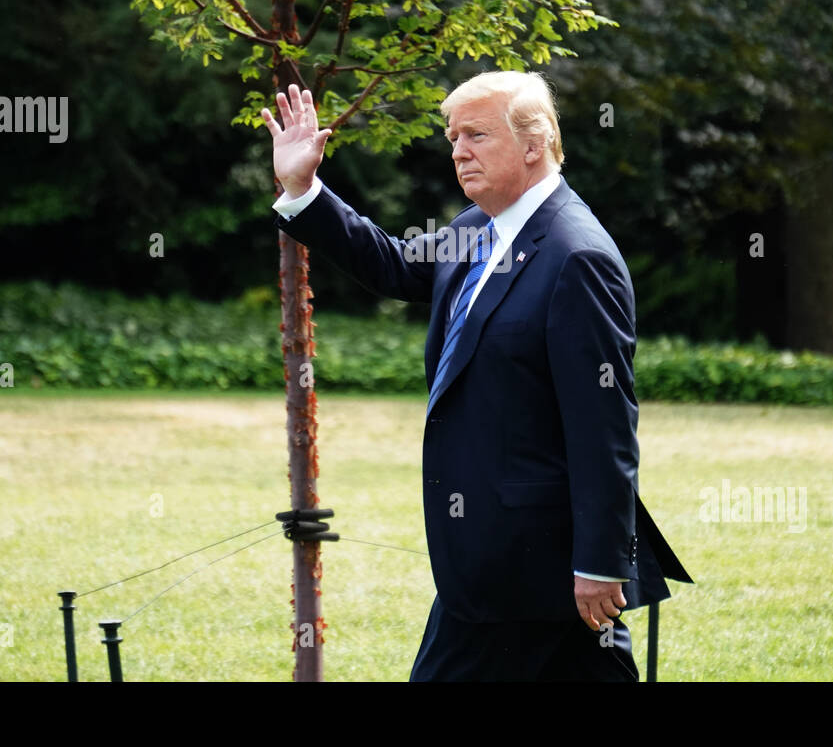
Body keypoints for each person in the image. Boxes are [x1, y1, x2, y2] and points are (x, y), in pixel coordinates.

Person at [262, 71, 691, 681]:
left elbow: (605, 425)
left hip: (540, 562)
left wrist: (600, 560)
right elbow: (389, 263)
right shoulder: (474, 230)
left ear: (534, 144)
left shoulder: (578, 257)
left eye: (477, 135)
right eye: (452, 136)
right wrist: (304, 187)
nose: (458, 150)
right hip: (491, 560)